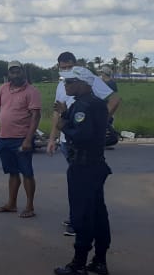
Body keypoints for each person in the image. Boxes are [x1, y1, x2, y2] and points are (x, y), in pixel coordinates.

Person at [47, 52, 120, 236]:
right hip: (67, 140)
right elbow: (58, 113)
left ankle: (81, 223)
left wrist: (99, 126)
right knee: (77, 185)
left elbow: (114, 100)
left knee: (84, 186)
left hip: (83, 143)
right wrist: (53, 138)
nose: (66, 73)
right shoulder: (62, 84)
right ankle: (78, 218)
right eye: (62, 68)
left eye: (69, 67)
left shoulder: (89, 80)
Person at [53, 66, 113, 275]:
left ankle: (78, 264)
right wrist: (65, 113)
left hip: (83, 166)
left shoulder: (83, 105)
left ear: (83, 84)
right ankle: (100, 260)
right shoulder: (96, 103)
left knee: (82, 215)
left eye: (70, 82)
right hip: (96, 165)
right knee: (98, 213)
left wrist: (63, 125)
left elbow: (82, 135)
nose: (66, 85)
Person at [0, 60, 42, 219]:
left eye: (18, 72)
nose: (15, 75)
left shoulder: (32, 91)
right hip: (4, 138)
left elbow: (36, 116)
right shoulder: (3, 88)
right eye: (12, 72)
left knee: (27, 173)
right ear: (8, 74)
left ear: (23, 72)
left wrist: (28, 139)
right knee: (12, 172)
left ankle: (29, 206)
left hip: (21, 138)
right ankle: (11, 204)